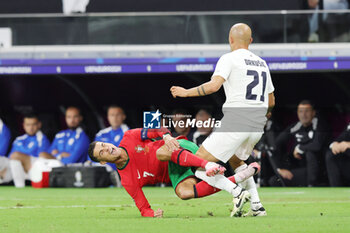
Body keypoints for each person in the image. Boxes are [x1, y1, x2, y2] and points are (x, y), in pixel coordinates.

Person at [170, 23, 275, 217]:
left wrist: (185, 93)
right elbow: (271, 101)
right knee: (237, 160)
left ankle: (237, 192)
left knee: (199, 163)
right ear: (251, 41)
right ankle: (257, 206)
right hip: (257, 126)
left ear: (230, 39)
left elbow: (213, 86)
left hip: (238, 120)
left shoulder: (228, 58)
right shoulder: (262, 63)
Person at [88, 127, 260, 217]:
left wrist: (166, 136)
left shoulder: (129, 137)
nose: (107, 149)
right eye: (101, 152)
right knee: (184, 193)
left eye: (104, 145)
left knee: (160, 152)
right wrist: (151, 214)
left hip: (178, 148)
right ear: (103, 162)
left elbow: (157, 129)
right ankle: (238, 178)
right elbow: (144, 208)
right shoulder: (127, 180)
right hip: (176, 172)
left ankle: (207, 165)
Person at [269, 100, 328, 187]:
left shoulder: (320, 125)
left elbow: (317, 145)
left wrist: (300, 148)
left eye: (307, 111)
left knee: (310, 153)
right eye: (300, 111)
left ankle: (312, 186)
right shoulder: (296, 126)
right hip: (301, 170)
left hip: (321, 171)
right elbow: (275, 146)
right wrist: (279, 169)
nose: (303, 115)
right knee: (274, 181)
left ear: (313, 112)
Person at [8, 114, 51, 188]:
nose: (31, 128)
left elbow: (42, 157)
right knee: (13, 161)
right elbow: (10, 157)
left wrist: (21, 156)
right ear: (24, 125)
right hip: (20, 169)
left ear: (39, 125)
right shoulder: (18, 139)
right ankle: (19, 187)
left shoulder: (42, 139)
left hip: (35, 169)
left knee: (16, 156)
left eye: (33, 124)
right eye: (28, 125)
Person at [92, 105, 128, 186]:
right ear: (108, 117)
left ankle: (116, 179)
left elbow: (119, 153)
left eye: (117, 115)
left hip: (118, 168)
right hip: (102, 166)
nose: (114, 118)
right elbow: (93, 152)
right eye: (112, 115)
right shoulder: (101, 133)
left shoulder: (128, 132)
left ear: (123, 116)